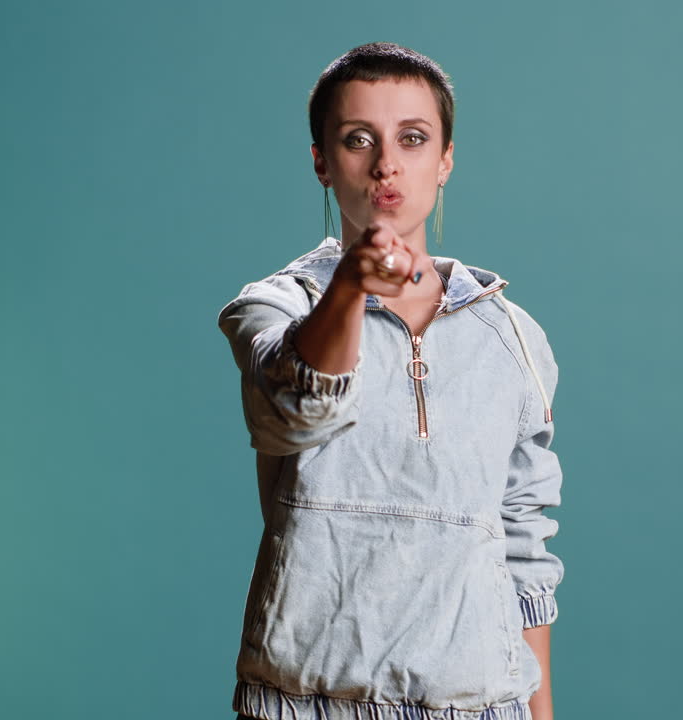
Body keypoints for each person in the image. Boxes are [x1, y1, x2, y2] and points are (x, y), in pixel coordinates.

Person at [217, 41, 564, 720]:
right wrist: (349, 288)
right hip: (310, 703)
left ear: (446, 160)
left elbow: (522, 548)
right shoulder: (276, 306)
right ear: (321, 161)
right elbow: (292, 410)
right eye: (357, 139)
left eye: (412, 137)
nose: (386, 164)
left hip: (479, 705)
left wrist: (538, 713)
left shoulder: (514, 337)